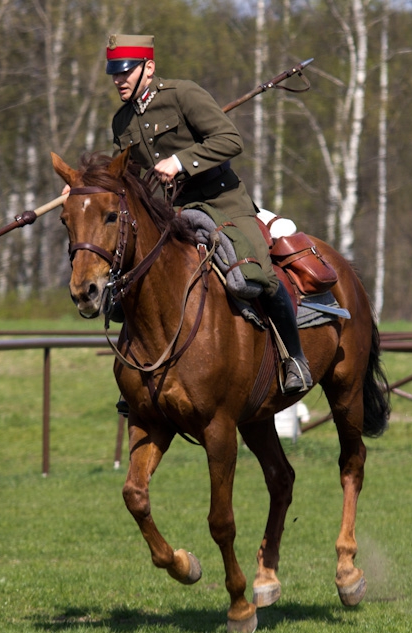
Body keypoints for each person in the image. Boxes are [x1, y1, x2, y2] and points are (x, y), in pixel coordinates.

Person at [104, 34, 312, 394]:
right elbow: (126, 177)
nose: (119, 80)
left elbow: (230, 140)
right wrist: (86, 187)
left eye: (126, 72)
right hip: (171, 212)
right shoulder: (122, 121)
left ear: (148, 68)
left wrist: (181, 161)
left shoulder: (183, 94)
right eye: (114, 73)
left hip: (222, 201)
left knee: (255, 273)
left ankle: (295, 359)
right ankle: (142, 382)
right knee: (129, 288)